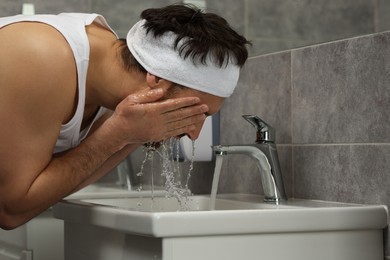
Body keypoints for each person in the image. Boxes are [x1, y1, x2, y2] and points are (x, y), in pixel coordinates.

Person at [0, 4, 250, 229]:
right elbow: (10, 211)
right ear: (157, 80)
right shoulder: (43, 56)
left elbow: (51, 189)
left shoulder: (113, 85)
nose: (194, 133)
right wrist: (115, 135)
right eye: (197, 111)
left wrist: (130, 135)